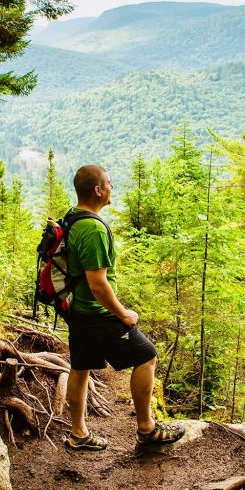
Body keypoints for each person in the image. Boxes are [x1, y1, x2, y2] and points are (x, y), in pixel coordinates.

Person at [63, 164, 186, 451]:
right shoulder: (93, 229)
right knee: (147, 356)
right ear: (98, 190)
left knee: (80, 368)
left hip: (78, 311)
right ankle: (147, 429)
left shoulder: (73, 218)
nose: (112, 187)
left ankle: (78, 434)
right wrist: (123, 314)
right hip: (98, 314)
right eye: (109, 182)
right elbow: (98, 283)